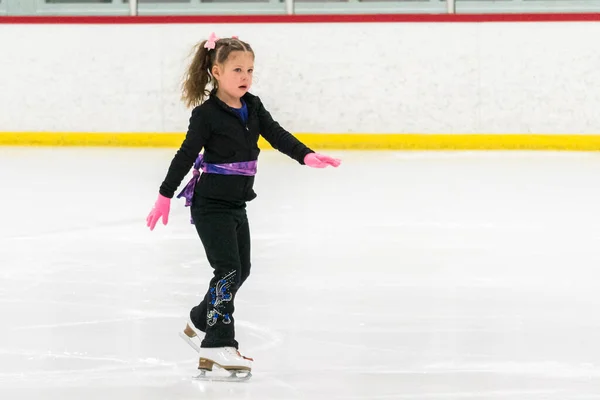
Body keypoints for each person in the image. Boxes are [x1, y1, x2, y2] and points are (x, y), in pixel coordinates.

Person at [145, 32, 341, 378]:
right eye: (237, 70)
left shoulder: (253, 106)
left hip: (237, 203)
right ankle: (218, 343)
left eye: (250, 70)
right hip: (210, 205)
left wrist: (306, 155)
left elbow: (276, 133)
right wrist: (164, 195)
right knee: (228, 271)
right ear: (216, 72)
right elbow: (185, 155)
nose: (245, 77)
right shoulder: (206, 114)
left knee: (241, 270)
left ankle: (198, 320)